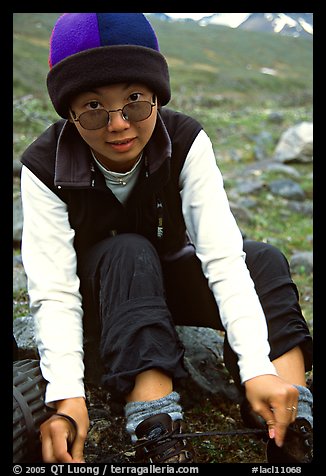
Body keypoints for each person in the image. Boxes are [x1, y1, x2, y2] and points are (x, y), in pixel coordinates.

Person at [20, 13, 313, 464]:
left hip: (169, 283)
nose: (118, 124)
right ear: (69, 111)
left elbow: (222, 257)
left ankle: (289, 413)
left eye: (134, 101)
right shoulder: (44, 166)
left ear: (156, 95)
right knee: (128, 249)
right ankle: (154, 421)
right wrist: (67, 398)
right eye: (94, 108)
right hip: (105, 304)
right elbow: (55, 291)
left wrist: (255, 366)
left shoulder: (186, 139)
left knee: (264, 260)